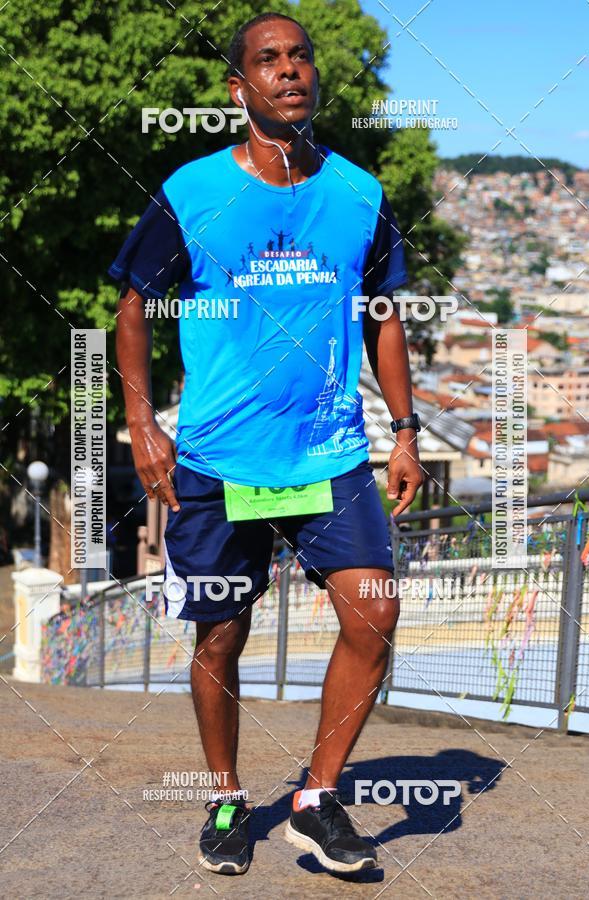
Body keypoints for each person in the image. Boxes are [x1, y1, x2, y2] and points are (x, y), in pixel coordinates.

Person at [111, 11, 423, 877]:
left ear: (315, 76)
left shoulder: (359, 192)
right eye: (268, 60)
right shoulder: (194, 192)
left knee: (376, 608)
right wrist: (144, 424)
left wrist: (403, 431)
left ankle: (318, 802)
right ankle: (223, 795)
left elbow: (385, 313)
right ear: (238, 87)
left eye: (300, 57)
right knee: (220, 637)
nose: (289, 71)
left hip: (328, 455)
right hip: (217, 460)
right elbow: (133, 304)